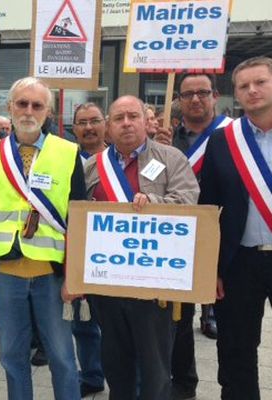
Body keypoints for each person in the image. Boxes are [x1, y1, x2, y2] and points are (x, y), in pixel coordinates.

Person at [0, 77, 85, 400]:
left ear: (48, 111)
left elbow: (78, 217)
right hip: (5, 275)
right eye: (22, 103)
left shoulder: (68, 152)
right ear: (10, 107)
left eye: (37, 105)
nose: (28, 110)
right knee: (12, 358)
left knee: (62, 356)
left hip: (51, 274)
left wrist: (74, 277)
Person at [83, 95, 200, 400]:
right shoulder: (93, 166)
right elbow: (77, 216)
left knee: (155, 372)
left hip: (153, 290)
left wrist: (154, 204)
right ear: (108, 126)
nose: (126, 123)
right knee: (116, 367)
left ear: (146, 121)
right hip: (107, 286)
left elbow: (189, 204)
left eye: (132, 116)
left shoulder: (171, 158)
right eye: (118, 118)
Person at [155, 72, 233, 400]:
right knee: (178, 318)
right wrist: (157, 153)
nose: (195, 99)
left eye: (202, 92)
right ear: (179, 100)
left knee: (234, 325)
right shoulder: (166, 140)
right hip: (181, 240)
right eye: (187, 94)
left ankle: (234, 384)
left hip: (227, 239)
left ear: (215, 96)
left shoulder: (232, 135)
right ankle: (184, 384)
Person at [199, 56, 272, 400]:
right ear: (236, 95)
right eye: (244, 86)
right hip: (239, 262)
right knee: (236, 349)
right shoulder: (223, 141)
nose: (252, 90)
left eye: (260, 82)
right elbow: (209, 207)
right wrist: (212, 268)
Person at [68, 102, 107, 397]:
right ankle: (92, 375)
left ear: (105, 123)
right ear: (74, 128)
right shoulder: (65, 158)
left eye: (94, 120)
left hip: (117, 252)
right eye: (82, 122)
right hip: (80, 252)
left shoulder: (120, 157)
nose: (89, 127)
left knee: (120, 325)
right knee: (83, 323)